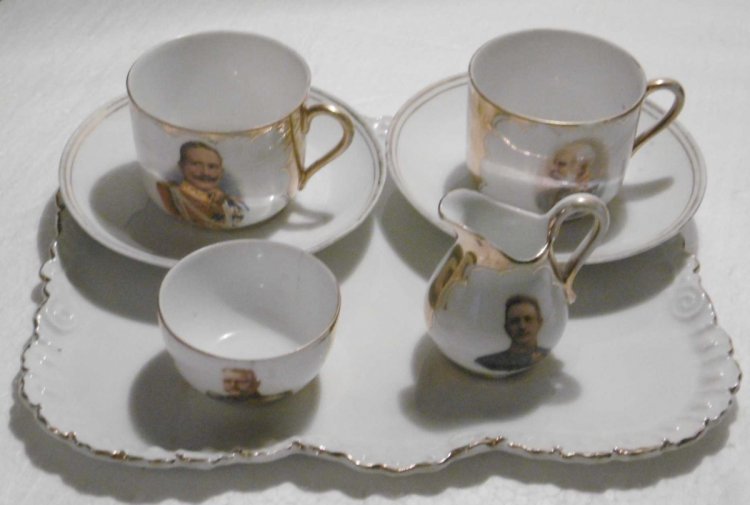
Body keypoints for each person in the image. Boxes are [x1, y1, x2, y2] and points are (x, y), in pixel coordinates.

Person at [157, 141, 246, 228]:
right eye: (196, 164)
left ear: (221, 172)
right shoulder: (170, 193)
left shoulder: (229, 202)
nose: (205, 172)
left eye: (212, 167)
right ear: (181, 166)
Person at [475, 295, 549, 371]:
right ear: (506, 328)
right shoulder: (487, 363)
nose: (522, 326)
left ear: (540, 323)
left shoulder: (547, 358)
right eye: (515, 321)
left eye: (528, 319)